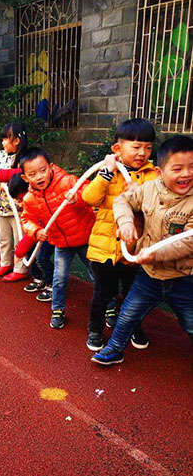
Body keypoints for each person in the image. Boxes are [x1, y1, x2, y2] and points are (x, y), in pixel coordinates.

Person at [92, 135, 193, 365]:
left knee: (190, 322)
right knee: (128, 314)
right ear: (159, 172)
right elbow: (122, 201)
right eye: (177, 169)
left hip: (184, 277)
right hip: (149, 274)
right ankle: (114, 349)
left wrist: (154, 254)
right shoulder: (149, 189)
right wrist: (126, 222)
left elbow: (188, 242)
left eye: (192, 167)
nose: (186, 174)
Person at [82, 118, 159, 351]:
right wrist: (106, 172)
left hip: (133, 249)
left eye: (147, 147)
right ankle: (95, 329)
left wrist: (140, 195)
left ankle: (133, 326)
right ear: (118, 148)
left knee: (132, 295)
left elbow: (157, 207)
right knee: (103, 293)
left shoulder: (153, 175)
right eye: (136, 147)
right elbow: (89, 197)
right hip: (104, 247)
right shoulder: (110, 172)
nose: (142, 153)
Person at [19, 147, 95, 329]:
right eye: (32, 174)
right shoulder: (30, 198)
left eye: (43, 170)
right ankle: (58, 309)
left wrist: (77, 198)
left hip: (86, 239)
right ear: (25, 178)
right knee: (59, 279)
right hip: (61, 243)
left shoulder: (68, 182)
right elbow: (26, 219)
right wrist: (36, 231)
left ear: (51, 167)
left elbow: (92, 194)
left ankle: (109, 306)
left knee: (98, 275)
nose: (39, 177)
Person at [0, 122, 29, 281]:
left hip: (18, 209)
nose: (2, 143)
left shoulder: (26, 158)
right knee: (3, 238)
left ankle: (21, 268)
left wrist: (3, 177)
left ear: (16, 140)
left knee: (19, 240)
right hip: (0, 206)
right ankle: (5, 263)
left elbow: (23, 174)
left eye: (5, 139)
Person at [7, 173, 55, 299]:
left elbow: (34, 230)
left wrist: (19, 251)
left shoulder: (37, 200)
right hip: (37, 232)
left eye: (19, 198)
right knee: (30, 253)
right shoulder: (28, 202)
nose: (19, 202)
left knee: (42, 257)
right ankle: (39, 277)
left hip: (49, 233)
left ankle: (52, 284)